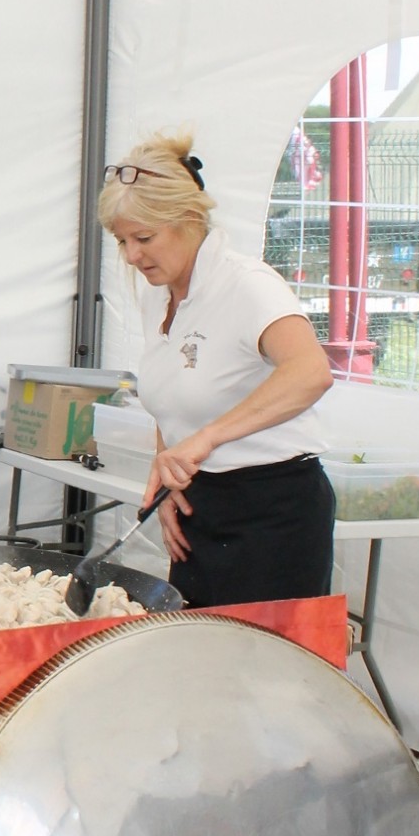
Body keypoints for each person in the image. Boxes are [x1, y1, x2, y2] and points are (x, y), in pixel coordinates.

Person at [98, 130, 335, 608]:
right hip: (199, 505)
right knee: (198, 659)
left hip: (272, 510)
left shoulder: (247, 285)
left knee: (259, 669)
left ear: (187, 219)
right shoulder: (158, 296)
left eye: (143, 238)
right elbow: (174, 397)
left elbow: (311, 372)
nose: (131, 256)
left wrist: (205, 439)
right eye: (121, 241)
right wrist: (168, 476)